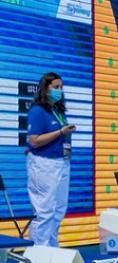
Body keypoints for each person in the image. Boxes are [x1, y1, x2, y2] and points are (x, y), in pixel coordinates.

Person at [25, 72, 75, 246]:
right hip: (44, 164)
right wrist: (61, 132)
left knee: (58, 211)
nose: (59, 90)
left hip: (62, 162)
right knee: (44, 212)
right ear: (45, 89)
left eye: (61, 87)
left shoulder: (57, 110)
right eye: (55, 87)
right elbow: (34, 140)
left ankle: (52, 251)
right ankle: (39, 255)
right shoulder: (38, 110)